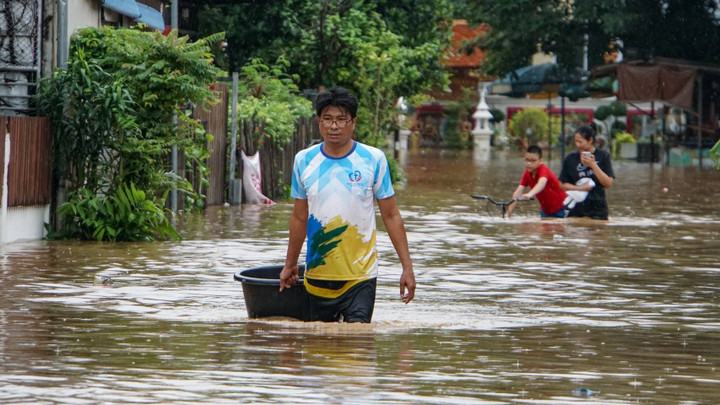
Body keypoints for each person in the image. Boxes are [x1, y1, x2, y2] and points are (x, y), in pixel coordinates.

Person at [279, 86, 416, 323]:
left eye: (342, 119)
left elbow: (391, 215)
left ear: (353, 122)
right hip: (317, 274)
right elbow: (299, 218)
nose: (334, 126)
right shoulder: (304, 160)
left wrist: (407, 267)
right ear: (318, 122)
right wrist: (290, 264)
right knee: (317, 350)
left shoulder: (373, 160)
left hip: (361, 276)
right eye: (328, 119)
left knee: (358, 346)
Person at [559, 123, 615, 220]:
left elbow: (608, 183)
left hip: (597, 209)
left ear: (590, 140)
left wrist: (593, 165)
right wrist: (579, 188)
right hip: (575, 208)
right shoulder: (570, 159)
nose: (578, 145)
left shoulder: (603, 156)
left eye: (580, 142)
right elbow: (561, 184)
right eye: (576, 142)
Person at [507, 145, 567, 218]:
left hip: (562, 209)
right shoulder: (527, 173)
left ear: (540, 161)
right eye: (526, 160)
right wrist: (507, 214)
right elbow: (517, 193)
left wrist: (530, 194)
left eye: (533, 161)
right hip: (545, 212)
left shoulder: (543, 169)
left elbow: (541, 183)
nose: (529, 163)